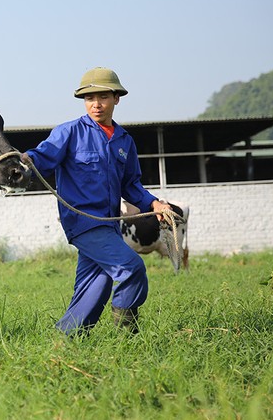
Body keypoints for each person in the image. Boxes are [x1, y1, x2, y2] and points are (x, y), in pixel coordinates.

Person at [21, 67, 172, 335]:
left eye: (103, 96)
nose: (96, 104)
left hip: (110, 226)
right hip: (83, 223)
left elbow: (131, 185)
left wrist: (155, 204)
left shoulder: (125, 140)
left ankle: (67, 337)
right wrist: (24, 160)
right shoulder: (68, 132)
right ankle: (127, 335)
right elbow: (41, 156)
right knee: (131, 267)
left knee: (97, 282)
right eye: (90, 98)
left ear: (117, 98)